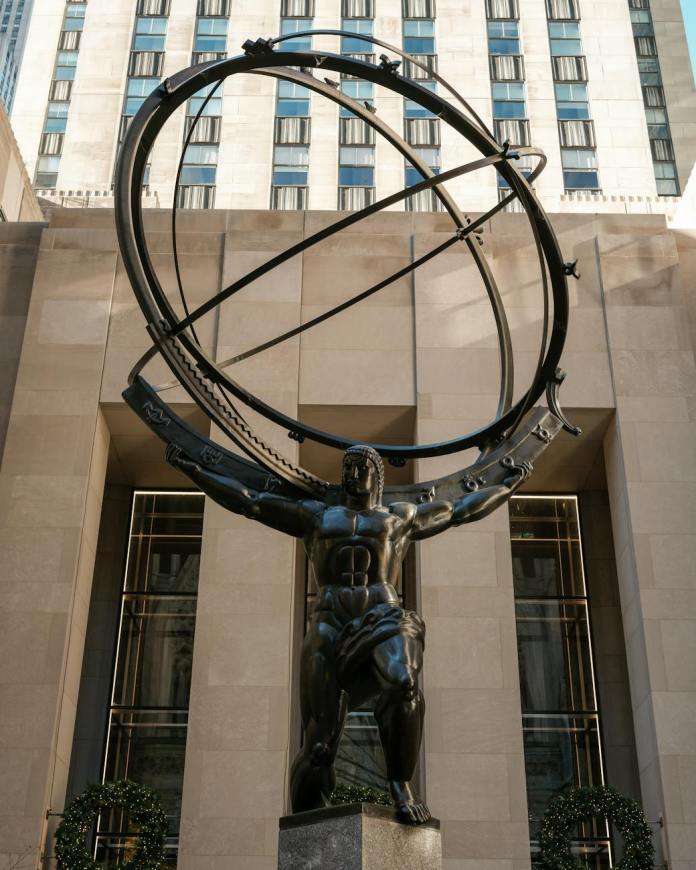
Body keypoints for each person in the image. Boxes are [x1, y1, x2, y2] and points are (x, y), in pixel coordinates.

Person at [166, 441, 531, 823]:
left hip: (382, 618)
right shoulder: (318, 517)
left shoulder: (398, 518)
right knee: (320, 746)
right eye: (347, 467)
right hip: (329, 624)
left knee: (404, 682)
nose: (351, 474)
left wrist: (508, 485)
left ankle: (400, 783)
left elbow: (459, 510)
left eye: (360, 467)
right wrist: (195, 471)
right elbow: (251, 502)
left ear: (377, 474)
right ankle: (308, 826)